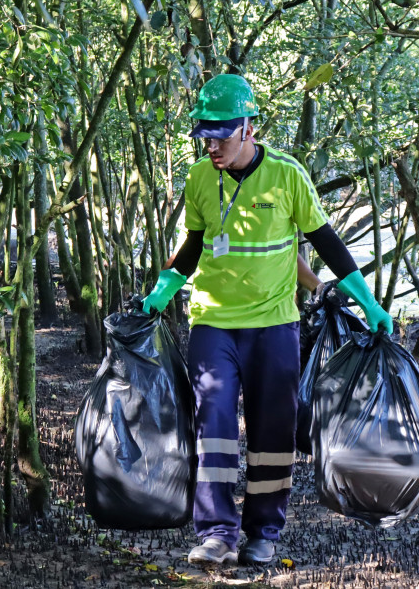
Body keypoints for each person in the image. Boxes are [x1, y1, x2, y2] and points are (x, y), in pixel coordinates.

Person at [142, 74, 392, 566]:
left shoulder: (287, 175)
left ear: (248, 128)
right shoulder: (198, 178)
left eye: (221, 134)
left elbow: (326, 242)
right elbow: (193, 246)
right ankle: (216, 533)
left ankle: (263, 533)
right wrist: (163, 289)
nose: (211, 145)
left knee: (273, 433)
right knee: (212, 423)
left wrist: (369, 303)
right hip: (213, 321)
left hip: (276, 323)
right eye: (204, 135)